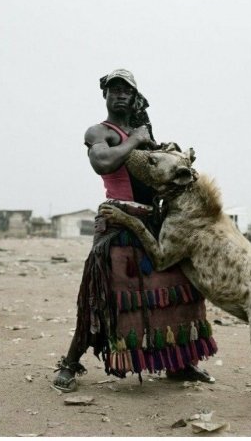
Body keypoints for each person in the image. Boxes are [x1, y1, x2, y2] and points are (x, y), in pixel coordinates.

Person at [53, 69, 217, 392]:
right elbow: (102, 162)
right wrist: (138, 141)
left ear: (136, 97)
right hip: (117, 226)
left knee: (180, 289)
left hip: (153, 225)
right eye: (114, 89)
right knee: (101, 301)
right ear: (105, 96)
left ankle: (180, 363)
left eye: (127, 90)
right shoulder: (100, 132)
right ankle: (71, 363)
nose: (120, 95)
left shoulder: (144, 132)